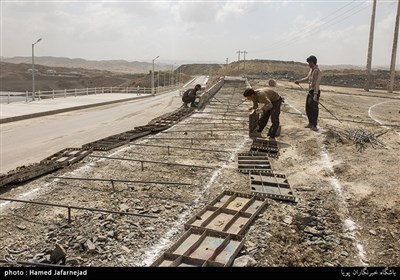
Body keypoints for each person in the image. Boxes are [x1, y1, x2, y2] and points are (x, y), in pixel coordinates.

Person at [295, 55, 322, 131]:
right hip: (310, 91)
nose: (308, 65)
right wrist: (299, 81)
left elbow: (317, 83)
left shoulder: (317, 71)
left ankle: (314, 125)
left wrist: (316, 94)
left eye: (309, 63)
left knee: (314, 108)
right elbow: (307, 78)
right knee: (308, 107)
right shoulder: (311, 70)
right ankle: (310, 123)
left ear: (312, 62)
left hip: (315, 91)